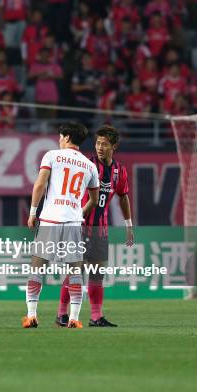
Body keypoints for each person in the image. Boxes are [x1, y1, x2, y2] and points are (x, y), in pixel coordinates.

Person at [56, 125, 133, 327]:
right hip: (78, 227)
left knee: (97, 274)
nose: (99, 147)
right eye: (98, 143)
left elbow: (123, 197)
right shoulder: (86, 165)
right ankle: (62, 314)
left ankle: (96, 317)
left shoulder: (119, 171)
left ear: (114, 146)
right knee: (75, 272)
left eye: (104, 144)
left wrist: (129, 224)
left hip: (101, 229)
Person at [24, 122, 99, 329]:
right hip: (74, 222)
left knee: (37, 268)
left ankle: (31, 316)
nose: (58, 140)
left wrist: (32, 213)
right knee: (75, 271)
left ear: (66, 137)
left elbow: (40, 184)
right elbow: (94, 199)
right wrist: (78, 213)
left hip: (50, 219)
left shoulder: (52, 155)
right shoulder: (90, 165)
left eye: (60, 136)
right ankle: (74, 318)